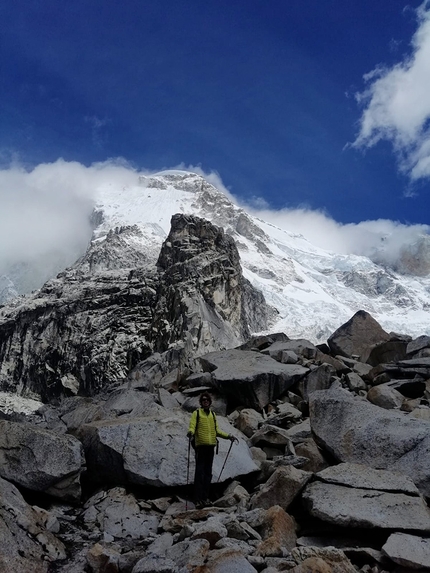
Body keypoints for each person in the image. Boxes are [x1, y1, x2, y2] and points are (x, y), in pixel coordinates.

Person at [187, 392, 237, 508]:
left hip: (211, 447)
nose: (205, 402)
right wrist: (190, 432)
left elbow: (217, 431)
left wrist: (228, 436)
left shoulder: (213, 415)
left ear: (209, 402)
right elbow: (192, 425)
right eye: (203, 400)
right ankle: (198, 499)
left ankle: (205, 498)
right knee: (199, 473)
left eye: (207, 400)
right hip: (200, 447)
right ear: (201, 402)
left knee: (208, 473)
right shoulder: (197, 413)